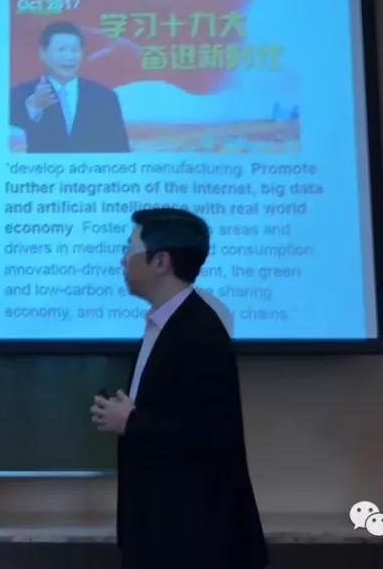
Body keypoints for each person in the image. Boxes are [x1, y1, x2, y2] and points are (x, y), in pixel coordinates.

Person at [90, 208, 268, 569]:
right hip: (162, 534)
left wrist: (131, 422)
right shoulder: (166, 323)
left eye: (129, 248)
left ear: (161, 262)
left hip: (193, 543)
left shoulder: (199, 330)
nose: (122, 260)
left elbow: (213, 434)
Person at [10, 21, 130, 153]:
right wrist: (34, 110)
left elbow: (120, 150)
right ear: (43, 54)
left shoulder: (104, 97)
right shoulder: (19, 95)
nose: (69, 57)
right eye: (61, 50)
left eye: (74, 50)